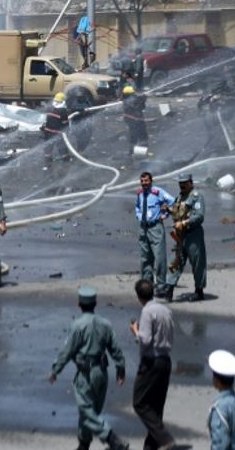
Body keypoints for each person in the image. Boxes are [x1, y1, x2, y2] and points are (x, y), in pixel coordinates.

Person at [48, 286, 130, 450]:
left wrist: (55, 370)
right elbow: (115, 349)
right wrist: (121, 368)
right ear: (95, 303)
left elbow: (67, 350)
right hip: (102, 373)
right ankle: (83, 444)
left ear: (79, 304)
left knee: (86, 411)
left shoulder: (77, 326)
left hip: (86, 375)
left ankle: (112, 439)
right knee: (92, 412)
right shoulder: (105, 324)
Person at [129, 279, 175, 450]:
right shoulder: (166, 310)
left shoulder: (147, 311)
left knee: (139, 402)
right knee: (156, 405)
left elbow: (145, 340)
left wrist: (135, 331)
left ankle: (164, 437)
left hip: (152, 361)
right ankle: (151, 446)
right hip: (165, 360)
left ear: (139, 296)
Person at [165, 173, 207, 302]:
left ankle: (199, 290)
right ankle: (169, 289)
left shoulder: (196, 197)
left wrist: (184, 223)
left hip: (193, 234)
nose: (181, 185)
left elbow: (199, 216)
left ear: (191, 182)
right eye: (180, 183)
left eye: (184, 182)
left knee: (197, 262)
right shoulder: (179, 197)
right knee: (176, 260)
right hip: (180, 235)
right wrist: (169, 210)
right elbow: (179, 212)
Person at [134, 171, 175, 299]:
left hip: (155, 228)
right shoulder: (140, 194)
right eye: (142, 181)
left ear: (151, 181)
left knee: (160, 257)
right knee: (145, 257)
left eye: (146, 181)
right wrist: (139, 216)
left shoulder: (157, 192)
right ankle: (147, 284)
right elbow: (137, 207)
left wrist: (166, 214)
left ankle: (161, 285)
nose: (144, 183)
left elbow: (172, 202)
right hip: (143, 228)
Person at [42, 92, 70, 166]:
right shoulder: (63, 111)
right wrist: (67, 131)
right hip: (57, 133)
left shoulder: (50, 108)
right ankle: (66, 160)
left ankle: (48, 161)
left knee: (48, 147)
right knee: (62, 146)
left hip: (47, 131)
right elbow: (65, 123)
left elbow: (46, 119)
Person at [122, 86, 148, 156]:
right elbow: (135, 105)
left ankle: (138, 151)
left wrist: (142, 100)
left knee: (139, 135)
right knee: (137, 135)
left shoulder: (129, 99)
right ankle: (134, 152)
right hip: (134, 120)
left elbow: (142, 107)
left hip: (137, 119)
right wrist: (142, 99)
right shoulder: (128, 100)